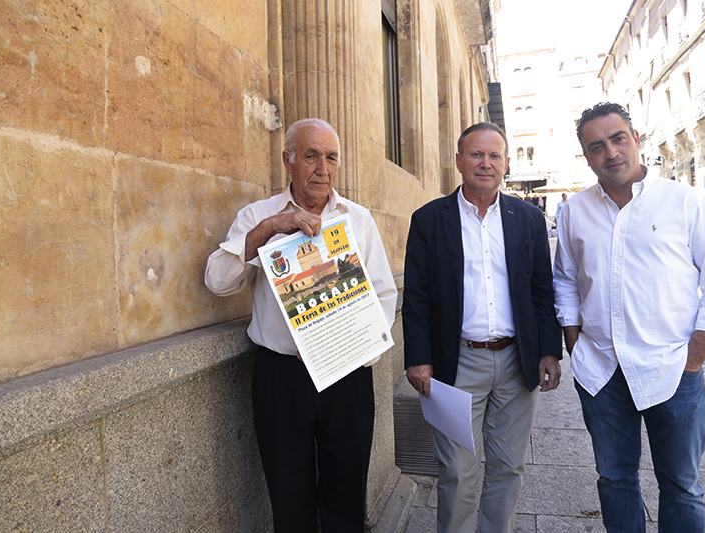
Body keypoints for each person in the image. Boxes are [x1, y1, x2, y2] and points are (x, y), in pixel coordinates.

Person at [554, 102, 705, 533]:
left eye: (618, 139)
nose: (611, 153)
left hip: (672, 369)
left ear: (636, 139)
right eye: (597, 146)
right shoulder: (574, 211)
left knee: (682, 486)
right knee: (615, 480)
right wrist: (574, 342)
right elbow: (565, 280)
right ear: (586, 155)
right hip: (601, 370)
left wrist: (693, 358)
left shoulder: (685, 202)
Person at [204, 118, 398, 532]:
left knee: (347, 495)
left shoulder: (358, 219)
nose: (322, 169)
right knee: (288, 498)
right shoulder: (258, 216)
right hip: (282, 377)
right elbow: (217, 281)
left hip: (347, 374)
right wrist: (270, 229)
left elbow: (384, 294)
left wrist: (362, 346)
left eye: (331, 158)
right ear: (287, 160)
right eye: (311, 156)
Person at [403, 122, 563, 533]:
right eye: (476, 155)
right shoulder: (428, 220)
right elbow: (417, 296)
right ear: (459, 161)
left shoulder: (528, 219)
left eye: (494, 156)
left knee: (509, 467)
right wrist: (418, 359)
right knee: (457, 470)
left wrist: (549, 350)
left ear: (507, 164)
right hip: (456, 363)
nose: (485, 163)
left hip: (515, 361)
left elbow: (542, 291)